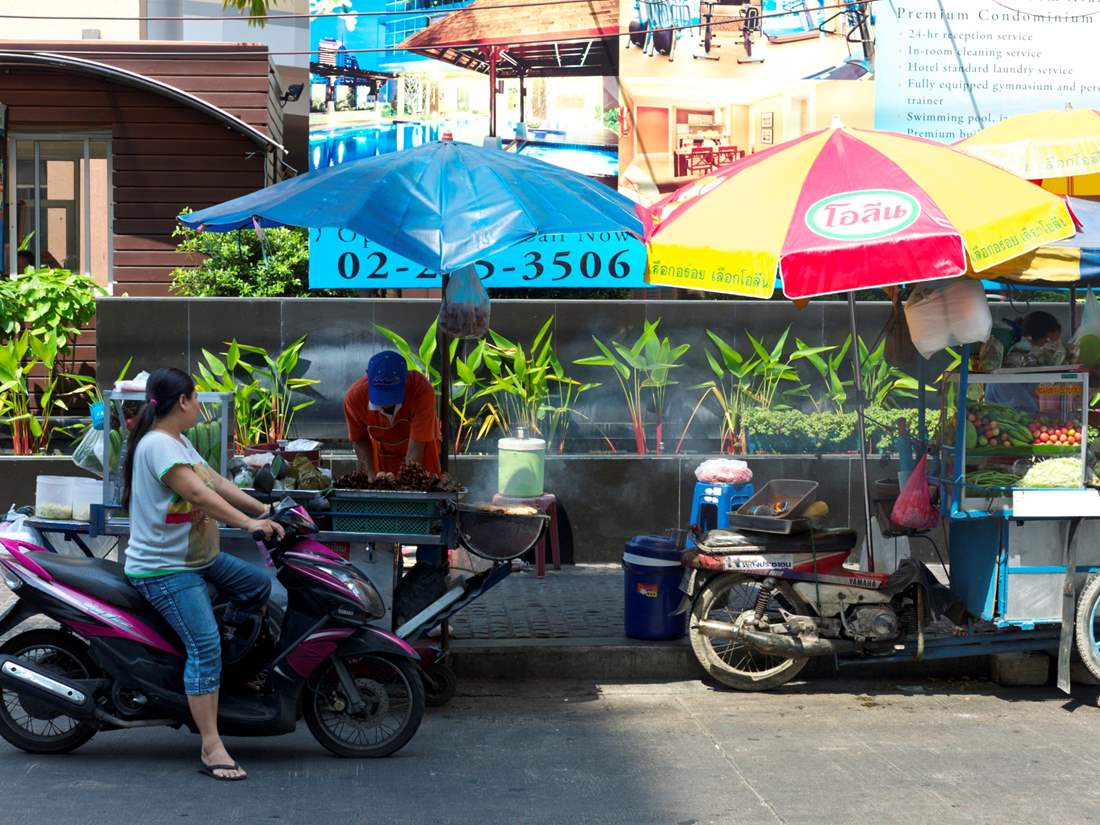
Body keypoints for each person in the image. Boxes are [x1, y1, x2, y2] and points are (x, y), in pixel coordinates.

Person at [122, 368, 283, 782]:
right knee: (205, 646)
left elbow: (216, 482)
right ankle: (212, 746)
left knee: (257, 585)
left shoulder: (179, 441)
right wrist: (247, 526)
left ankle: (223, 659)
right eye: (196, 399)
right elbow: (196, 495)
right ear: (182, 402)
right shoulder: (158, 446)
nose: (199, 407)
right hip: (165, 569)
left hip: (198, 559)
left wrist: (265, 511)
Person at [343, 350, 441, 480]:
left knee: (421, 483)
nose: (386, 403)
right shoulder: (354, 398)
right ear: (368, 377)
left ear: (405, 379)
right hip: (384, 454)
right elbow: (359, 439)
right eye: (381, 395)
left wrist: (407, 484)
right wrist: (370, 475)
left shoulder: (421, 389)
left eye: (392, 395)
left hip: (422, 451)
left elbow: (416, 449)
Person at [985, 311, 1063, 414]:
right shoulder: (1017, 358)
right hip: (1004, 417)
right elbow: (1024, 410)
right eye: (1048, 342)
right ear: (1036, 336)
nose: (1052, 349)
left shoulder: (1032, 359)